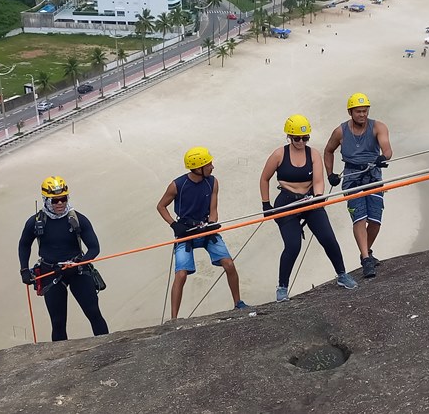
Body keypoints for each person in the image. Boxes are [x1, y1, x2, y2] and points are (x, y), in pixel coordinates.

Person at [260, 115, 358, 302]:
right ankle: (282, 287)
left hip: (310, 199)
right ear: (289, 136)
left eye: (305, 138)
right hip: (286, 201)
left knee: (328, 238)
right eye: (297, 138)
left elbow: (319, 180)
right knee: (293, 245)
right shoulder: (279, 154)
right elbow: (264, 178)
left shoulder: (312, 154)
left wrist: (318, 198)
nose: (301, 142)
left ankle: (342, 275)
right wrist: (266, 204)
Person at [156, 147, 248, 320]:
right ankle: (174, 319)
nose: (212, 167)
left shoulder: (212, 182)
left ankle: (238, 303)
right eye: (209, 164)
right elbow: (161, 206)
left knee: (229, 264)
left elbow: (213, 210)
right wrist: (174, 225)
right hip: (186, 232)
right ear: (198, 168)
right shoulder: (177, 185)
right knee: (181, 274)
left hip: (205, 229)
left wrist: (212, 224)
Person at [18, 176, 108, 341]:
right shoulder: (35, 222)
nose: (60, 203)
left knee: (93, 312)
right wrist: (24, 270)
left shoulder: (78, 219)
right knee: (58, 322)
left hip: (78, 271)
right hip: (50, 273)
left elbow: (94, 247)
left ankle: (109, 350)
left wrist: (78, 263)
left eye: (63, 199)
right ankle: (61, 362)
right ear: (46, 200)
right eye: (55, 200)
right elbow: (24, 245)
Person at [324, 93, 393, 279]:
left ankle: (367, 251)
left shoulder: (377, 126)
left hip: (373, 174)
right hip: (352, 177)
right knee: (360, 218)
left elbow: (387, 148)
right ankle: (365, 259)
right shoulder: (341, 132)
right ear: (350, 112)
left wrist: (383, 157)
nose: (362, 114)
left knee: (376, 221)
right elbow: (328, 151)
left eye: (365, 111)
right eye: (358, 111)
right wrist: (330, 174)